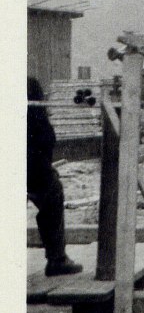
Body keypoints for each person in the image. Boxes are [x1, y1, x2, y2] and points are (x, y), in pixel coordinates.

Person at [27, 77, 83, 277]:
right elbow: (44, 138)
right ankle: (57, 259)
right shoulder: (28, 87)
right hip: (28, 168)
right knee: (52, 189)